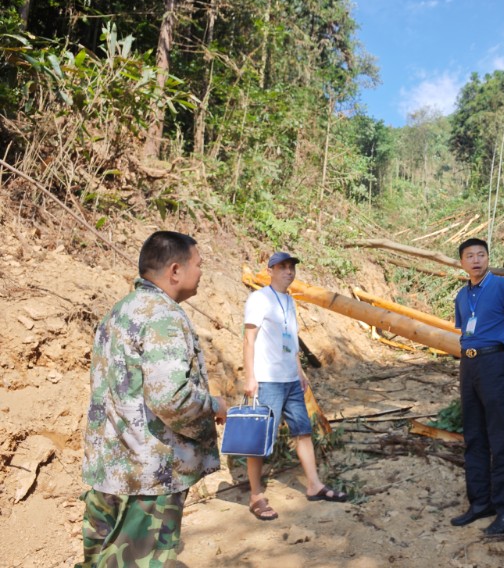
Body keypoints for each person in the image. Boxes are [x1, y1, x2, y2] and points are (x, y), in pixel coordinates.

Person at [79, 231, 228, 567]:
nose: (202, 272)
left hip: (110, 470)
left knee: (102, 561)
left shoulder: (119, 311)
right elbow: (170, 399)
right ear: (175, 270)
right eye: (199, 265)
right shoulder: (163, 316)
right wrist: (216, 406)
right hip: (148, 478)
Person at [242, 251, 347, 520]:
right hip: (268, 380)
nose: (289, 272)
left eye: (292, 268)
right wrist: (250, 377)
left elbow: (291, 340)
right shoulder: (259, 299)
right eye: (283, 267)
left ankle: (314, 485)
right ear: (270, 271)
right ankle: (256, 496)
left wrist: (299, 371)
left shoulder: (289, 301)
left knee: (303, 430)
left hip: (290, 379)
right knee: (260, 439)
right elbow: (249, 340)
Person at [450, 238, 504, 535]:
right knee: (474, 436)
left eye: (481, 254)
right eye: (470, 256)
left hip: (494, 362)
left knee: (499, 438)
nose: (476, 260)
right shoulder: (461, 295)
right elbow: (465, 328)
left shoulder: (502, 286)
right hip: (468, 365)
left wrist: (500, 360)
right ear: (462, 262)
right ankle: (480, 502)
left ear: (488, 258)